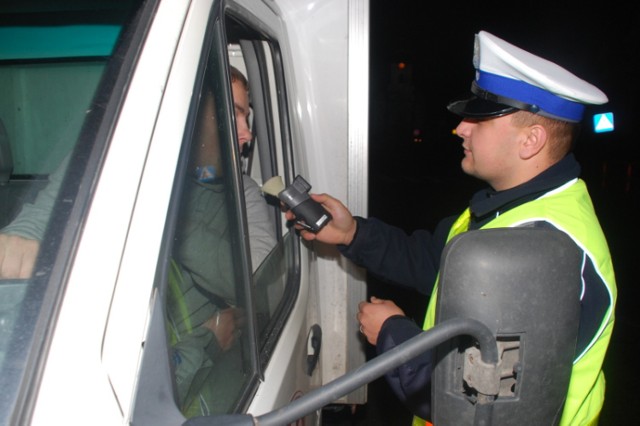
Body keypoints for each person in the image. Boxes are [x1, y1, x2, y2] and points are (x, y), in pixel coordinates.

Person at [287, 31, 616, 426]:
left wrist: (392, 334)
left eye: (481, 118)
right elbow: (433, 262)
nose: (461, 129)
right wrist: (351, 234)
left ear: (531, 140)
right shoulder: (513, 206)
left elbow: (475, 400)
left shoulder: (538, 246)